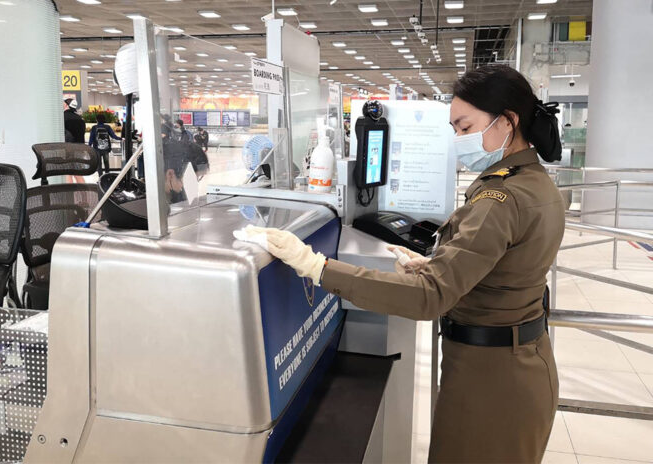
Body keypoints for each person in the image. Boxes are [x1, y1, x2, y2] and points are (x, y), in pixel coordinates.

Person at [237, 65, 565, 463]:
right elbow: (504, 269)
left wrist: (315, 266)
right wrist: (435, 263)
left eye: (465, 127)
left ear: (508, 121)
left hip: (492, 380)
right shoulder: (533, 182)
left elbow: (430, 299)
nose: (459, 140)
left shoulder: (501, 199)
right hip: (519, 363)